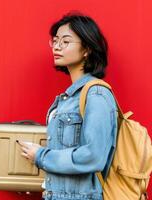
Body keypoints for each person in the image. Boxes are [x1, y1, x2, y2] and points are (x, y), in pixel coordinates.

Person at [18, 11, 118, 200]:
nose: (57, 46)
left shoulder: (96, 94)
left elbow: (93, 155)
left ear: (87, 48)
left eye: (65, 41)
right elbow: (63, 155)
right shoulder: (68, 99)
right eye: (55, 41)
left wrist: (40, 156)